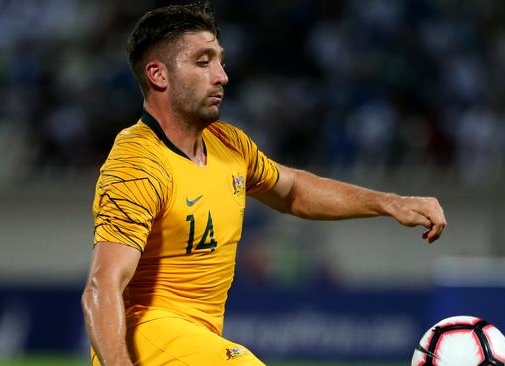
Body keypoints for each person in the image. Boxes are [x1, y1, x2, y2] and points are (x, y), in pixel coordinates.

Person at [81, 3, 446, 365]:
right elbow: (102, 284)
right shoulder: (137, 164)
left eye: (221, 61)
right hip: (144, 339)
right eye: (204, 62)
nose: (222, 76)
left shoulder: (230, 145)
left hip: (196, 342)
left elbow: (295, 192)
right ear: (159, 75)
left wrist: (391, 203)